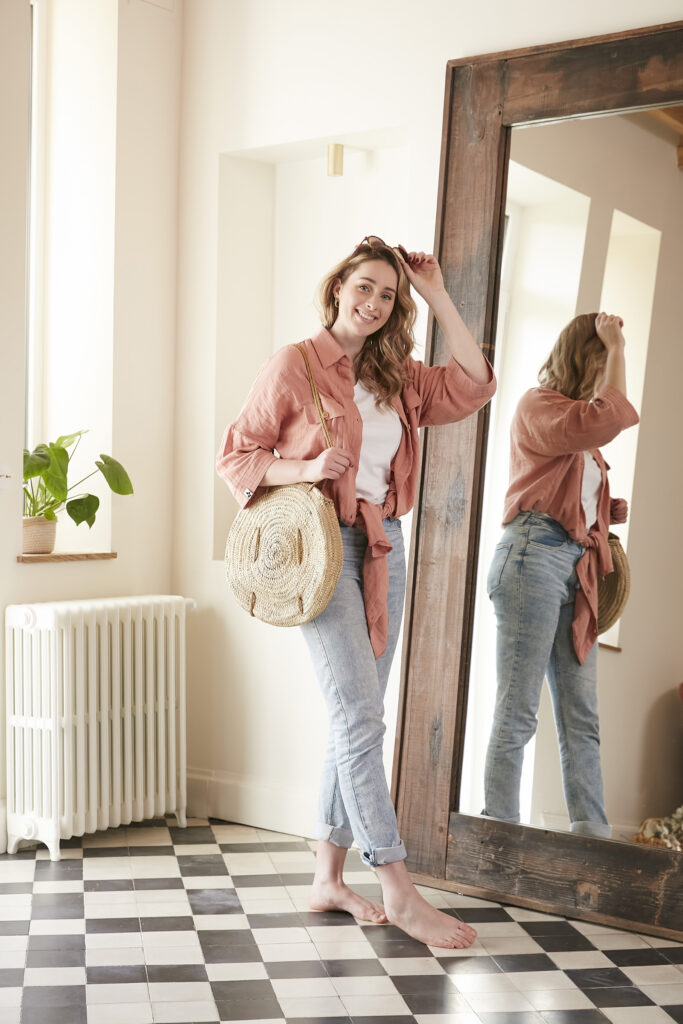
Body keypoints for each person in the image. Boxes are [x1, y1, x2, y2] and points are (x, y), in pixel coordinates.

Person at [217, 235, 495, 948]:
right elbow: (236, 454)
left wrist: (434, 295)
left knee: (357, 717)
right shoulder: (295, 364)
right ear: (338, 285)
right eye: (363, 287)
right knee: (360, 718)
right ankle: (397, 888)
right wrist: (302, 465)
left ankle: (327, 877)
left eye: (386, 295)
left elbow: (475, 381)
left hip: (382, 546)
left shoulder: (397, 374)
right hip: (319, 546)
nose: (373, 303)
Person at [482, 312, 639, 837]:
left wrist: (601, 508)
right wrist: (617, 345)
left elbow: (564, 478)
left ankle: (592, 841)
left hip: (573, 567)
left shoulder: (578, 431)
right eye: (602, 363)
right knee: (518, 709)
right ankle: (499, 833)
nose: (607, 376)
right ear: (583, 360)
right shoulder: (538, 405)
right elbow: (604, 418)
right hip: (532, 557)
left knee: (581, 716)